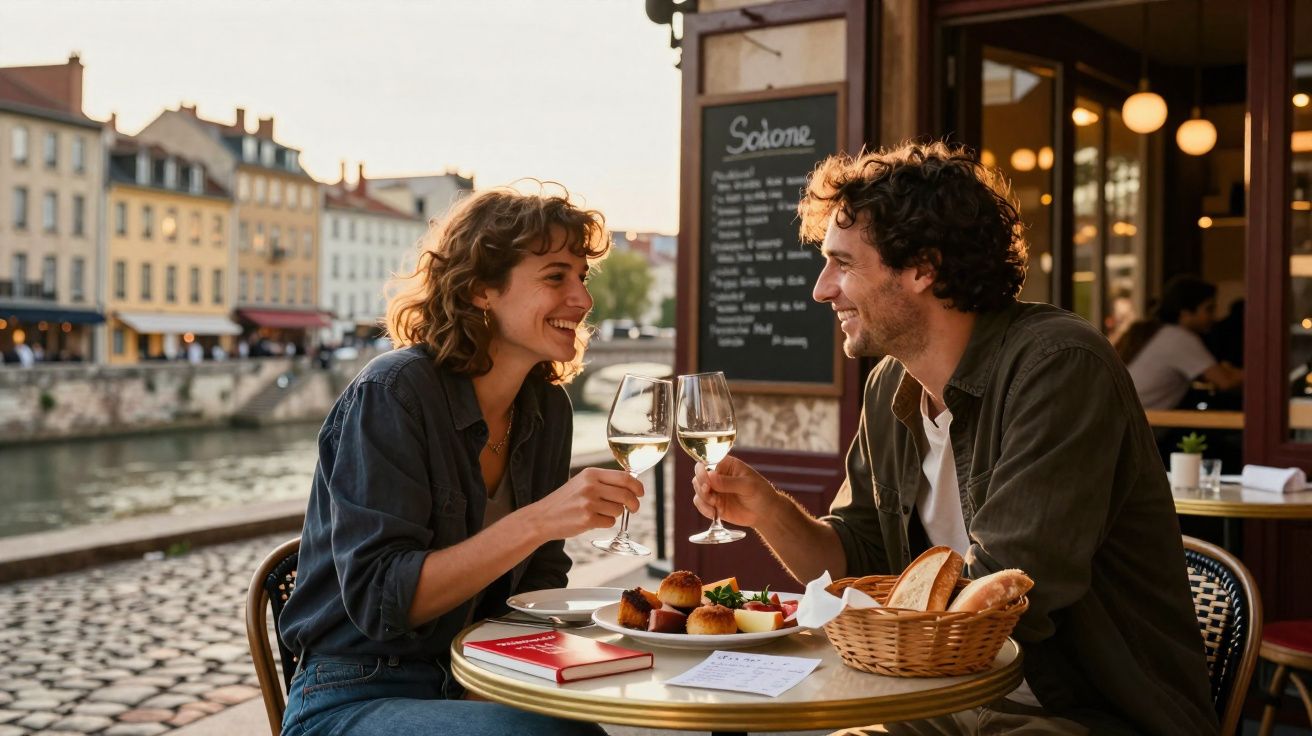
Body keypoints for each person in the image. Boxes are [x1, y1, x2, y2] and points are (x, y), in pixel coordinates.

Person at [692, 142, 1217, 734]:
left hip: (1072, 708)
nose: (822, 289)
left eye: (844, 264)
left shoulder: (1059, 365)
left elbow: (1002, 598)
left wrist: (857, 639)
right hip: (937, 698)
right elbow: (854, 556)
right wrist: (767, 510)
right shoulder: (892, 385)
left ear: (922, 267)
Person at [277, 186, 637, 736]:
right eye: (555, 276)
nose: (583, 300)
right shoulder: (394, 393)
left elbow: (536, 586)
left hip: (479, 677)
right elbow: (381, 601)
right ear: (480, 290)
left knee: (585, 724)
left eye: (582, 277)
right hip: (353, 692)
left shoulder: (546, 408)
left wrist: (614, 642)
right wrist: (541, 519)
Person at [1115, 275, 1242, 410]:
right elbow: (1225, 382)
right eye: (1209, 309)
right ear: (1185, 313)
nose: (1214, 316)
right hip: (1134, 425)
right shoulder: (1180, 338)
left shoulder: (1158, 333)